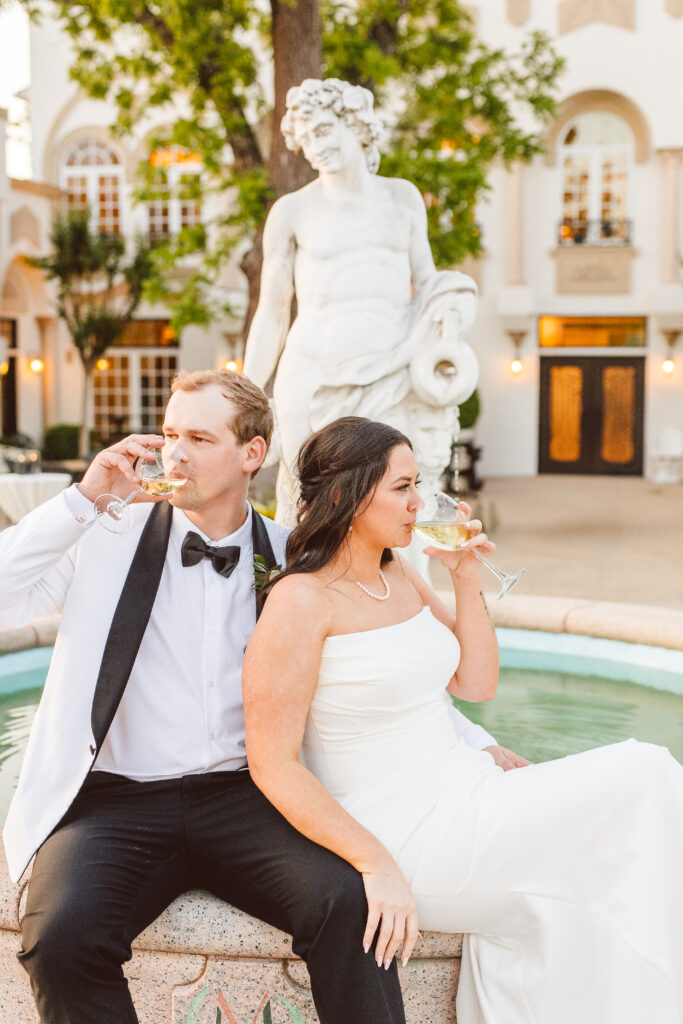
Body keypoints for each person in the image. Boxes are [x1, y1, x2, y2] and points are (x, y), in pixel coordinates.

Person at [0, 370, 520, 1023]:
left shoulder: (293, 556)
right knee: (59, 939)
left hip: (246, 797)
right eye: (168, 435)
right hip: (115, 801)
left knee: (350, 907)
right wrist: (82, 499)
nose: (174, 455)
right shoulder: (105, 535)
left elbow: (371, 667)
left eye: (198, 437)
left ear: (252, 454)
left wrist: (474, 741)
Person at [243, 416, 683, 1024]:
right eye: (402, 487)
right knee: (647, 770)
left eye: (416, 483)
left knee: (605, 871)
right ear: (346, 495)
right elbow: (272, 763)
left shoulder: (395, 571)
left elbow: (475, 683)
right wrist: (374, 862)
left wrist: (466, 577)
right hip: (402, 830)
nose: (419, 501)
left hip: (467, 789)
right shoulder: (299, 600)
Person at [243, 78, 479, 522]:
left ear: (357, 126)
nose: (316, 146)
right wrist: (246, 392)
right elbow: (272, 314)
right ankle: (300, 592)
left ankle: (402, 591)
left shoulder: (403, 198)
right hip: (312, 371)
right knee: (306, 498)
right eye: (307, 137)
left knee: (398, 494)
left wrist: (449, 307)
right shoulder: (293, 211)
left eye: (326, 130)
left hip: (390, 367)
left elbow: (426, 285)